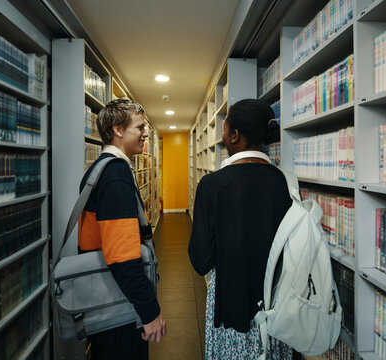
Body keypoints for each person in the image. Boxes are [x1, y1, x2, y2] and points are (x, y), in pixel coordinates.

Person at [188, 99, 293, 360]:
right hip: (275, 305)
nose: (221, 136)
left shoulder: (211, 185)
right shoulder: (282, 182)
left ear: (235, 137)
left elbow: (200, 260)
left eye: (224, 130)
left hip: (230, 303)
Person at [77, 98, 166, 359]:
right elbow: (122, 255)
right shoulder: (115, 174)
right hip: (118, 303)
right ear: (118, 130)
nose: (145, 133)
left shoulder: (104, 168)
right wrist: (150, 311)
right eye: (139, 128)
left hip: (108, 295)